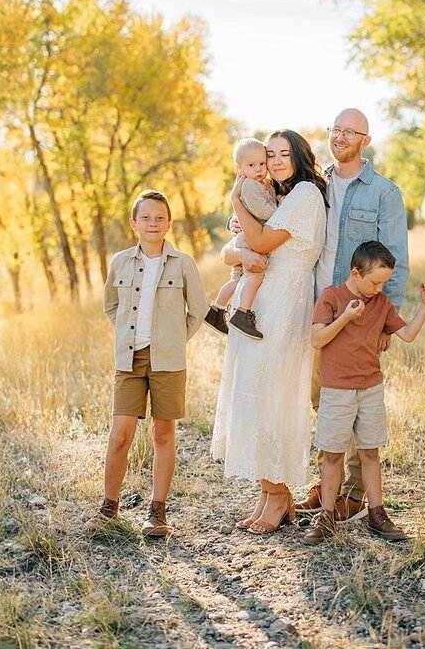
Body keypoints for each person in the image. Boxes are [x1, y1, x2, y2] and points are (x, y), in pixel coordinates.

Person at [210, 130, 329, 534]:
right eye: (269, 155)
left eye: (282, 154)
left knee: (271, 396)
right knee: (252, 393)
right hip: (261, 299)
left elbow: (259, 239)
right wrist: (240, 246)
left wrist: (235, 199)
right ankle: (266, 492)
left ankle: (279, 494)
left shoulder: (306, 196)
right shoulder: (276, 197)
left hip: (285, 301)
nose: (275, 161)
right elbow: (239, 247)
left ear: (298, 156)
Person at [300, 108, 410, 523]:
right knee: (323, 399)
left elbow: (395, 255)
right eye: (335, 130)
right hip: (320, 310)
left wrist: (387, 318)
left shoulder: (384, 192)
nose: (340, 137)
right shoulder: (315, 185)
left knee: (358, 400)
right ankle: (330, 484)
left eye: (350, 132)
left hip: (362, 315)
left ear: (365, 139)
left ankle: (353, 492)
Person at [303, 241, 425, 544]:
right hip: (336, 390)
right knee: (333, 454)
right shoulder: (331, 297)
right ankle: (326, 516)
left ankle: (377, 513)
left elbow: (408, 335)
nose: (379, 287)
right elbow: (316, 339)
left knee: (369, 452)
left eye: (384, 282)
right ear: (355, 273)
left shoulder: (382, 303)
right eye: (375, 281)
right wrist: (345, 318)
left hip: (370, 388)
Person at [94, 190, 208, 537]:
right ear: (134, 224)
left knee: (163, 432)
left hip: (168, 361)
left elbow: (199, 309)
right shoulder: (120, 262)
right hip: (129, 360)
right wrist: (129, 336)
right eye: (146, 218)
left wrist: (173, 341)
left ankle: (157, 512)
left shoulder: (183, 263)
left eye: (160, 217)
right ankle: (108, 509)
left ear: (169, 223)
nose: (153, 223)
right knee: (120, 435)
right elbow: (110, 305)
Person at [205, 138, 278, 339]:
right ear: (239, 168)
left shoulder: (258, 183)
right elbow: (262, 211)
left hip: (244, 237)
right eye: (252, 165)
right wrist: (279, 209)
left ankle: (217, 309)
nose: (259, 169)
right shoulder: (250, 186)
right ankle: (242, 313)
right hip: (249, 240)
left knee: (237, 279)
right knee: (255, 275)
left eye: (262, 164)